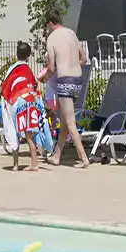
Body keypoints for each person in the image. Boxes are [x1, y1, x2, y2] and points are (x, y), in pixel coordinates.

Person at [37, 12, 91, 168]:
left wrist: (43, 79)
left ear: (50, 23)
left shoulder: (52, 38)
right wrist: (72, 65)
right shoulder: (72, 34)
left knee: (70, 122)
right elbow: (84, 59)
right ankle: (57, 156)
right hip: (77, 80)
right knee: (66, 121)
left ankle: (83, 158)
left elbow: (51, 67)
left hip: (64, 81)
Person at [0, 43, 51, 172]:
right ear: (28, 56)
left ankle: (16, 164)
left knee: (13, 130)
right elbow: (34, 87)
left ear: (17, 53)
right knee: (29, 135)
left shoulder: (11, 69)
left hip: (14, 102)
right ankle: (34, 162)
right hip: (28, 102)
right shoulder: (27, 70)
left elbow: (6, 86)